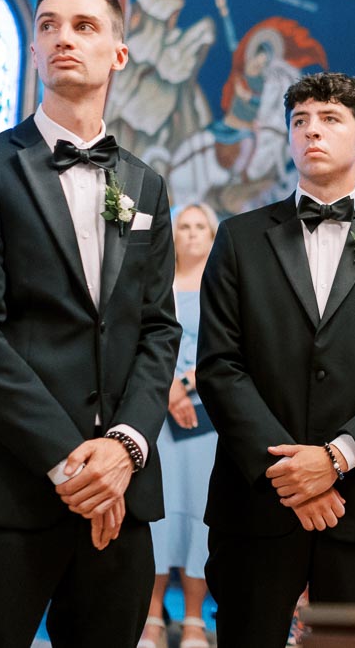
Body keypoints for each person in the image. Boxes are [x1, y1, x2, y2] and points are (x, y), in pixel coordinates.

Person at [0, 0, 181, 648]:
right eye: (48, 26)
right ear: (35, 53)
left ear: (119, 54)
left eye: (84, 25)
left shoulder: (146, 184)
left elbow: (158, 328)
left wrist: (125, 448)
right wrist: (73, 462)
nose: (63, 37)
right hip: (5, 486)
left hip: (120, 493)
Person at [197, 71, 355, 647]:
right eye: (300, 121)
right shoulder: (239, 238)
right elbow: (220, 366)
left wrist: (334, 459)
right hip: (257, 498)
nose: (311, 132)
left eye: (329, 119)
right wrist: (291, 474)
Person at [139, 204, 219, 648]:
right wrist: (167, 388)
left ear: (212, 235)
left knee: (198, 515)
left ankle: (193, 619)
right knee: (159, 514)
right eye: (183, 226)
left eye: (199, 226)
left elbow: (231, 347)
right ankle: (151, 615)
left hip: (207, 419)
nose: (190, 234)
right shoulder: (156, 286)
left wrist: (184, 384)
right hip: (157, 416)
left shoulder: (224, 286)